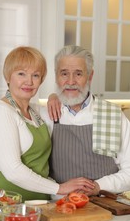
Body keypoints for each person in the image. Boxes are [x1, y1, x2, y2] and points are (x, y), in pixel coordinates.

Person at [0, 46, 95, 202]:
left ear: (41, 80)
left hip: (38, 204)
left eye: (35, 75)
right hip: (7, 205)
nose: (29, 81)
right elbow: (13, 171)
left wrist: (53, 96)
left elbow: (69, 111)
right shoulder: (1, 112)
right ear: (8, 77)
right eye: (21, 73)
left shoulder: (36, 112)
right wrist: (60, 188)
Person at [40, 45, 130, 196]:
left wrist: (97, 186)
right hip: (60, 205)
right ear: (56, 76)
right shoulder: (46, 115)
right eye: (64, 74)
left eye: (78, 74)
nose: (70, 81)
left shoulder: (113, 115)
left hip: (106, 206)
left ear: (90, 76)